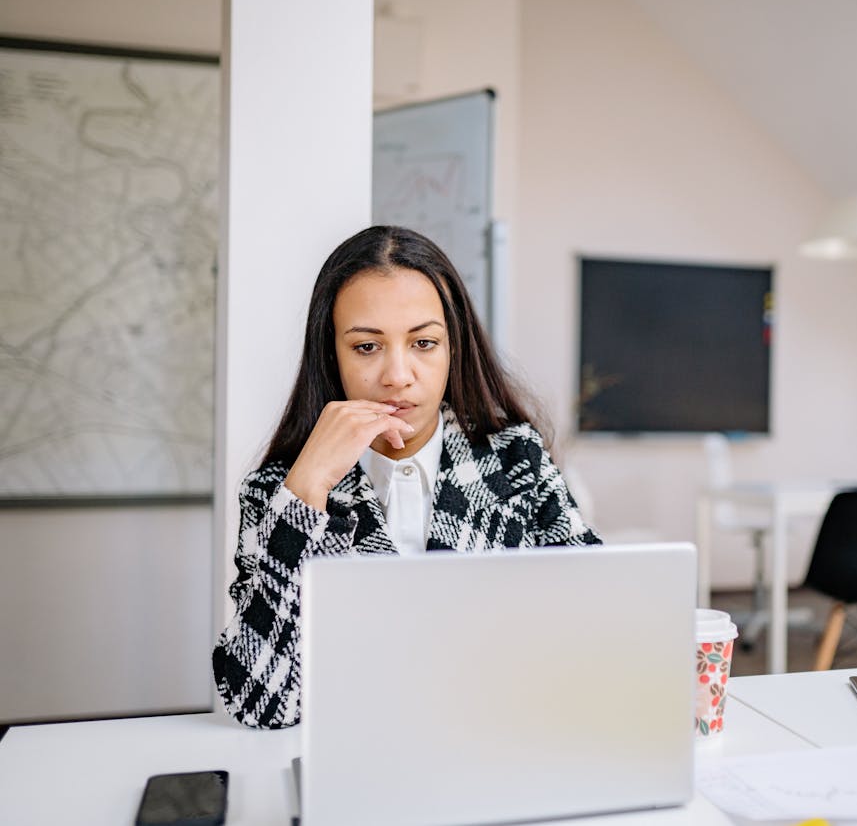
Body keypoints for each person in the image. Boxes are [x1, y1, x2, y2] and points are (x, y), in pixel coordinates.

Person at [212, 225, 600, 729]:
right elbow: (257, 704)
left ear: (452, 349)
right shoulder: (279, 491)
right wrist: (306, 490)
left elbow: (594, 626)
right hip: (350, 758)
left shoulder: (514, 458)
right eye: (367, 347)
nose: (398, 375)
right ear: (332, 354)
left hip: (494, 740)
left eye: (423, 342)